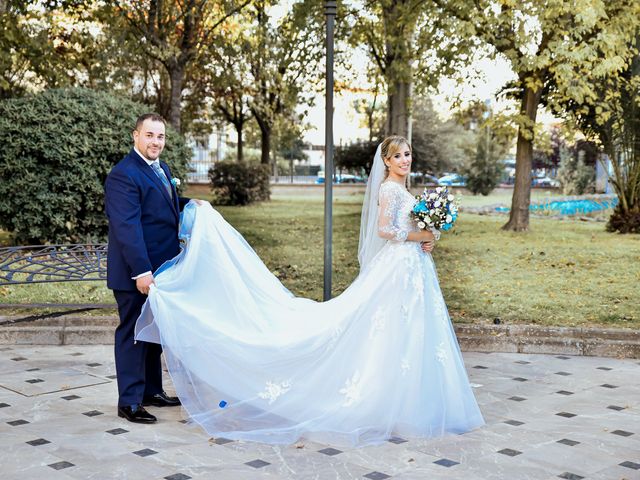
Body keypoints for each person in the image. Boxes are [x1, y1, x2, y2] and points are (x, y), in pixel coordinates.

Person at [135, 135, 484, 445]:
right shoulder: (390, 189)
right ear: (386, 162)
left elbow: (407, 226)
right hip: (398, 269)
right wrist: (420, 235)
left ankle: (411, 400)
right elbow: (384, 230)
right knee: (388, 330)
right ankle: (388, 400)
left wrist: (429, 237)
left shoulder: (405, 190)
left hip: (412, 268)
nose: (405, 160)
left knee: (409, 332)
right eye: (398, 156)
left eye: (408, 155)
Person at [105, 113, 196, 424]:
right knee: (132, 333)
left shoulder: (160, 168)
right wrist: (141, 272)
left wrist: (190, 203)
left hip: (161, 270)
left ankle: (151, 390)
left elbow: (161, 205)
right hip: (136, 271)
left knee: (153, 332)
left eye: (160, 136)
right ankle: (129, 401)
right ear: (136, 136)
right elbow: (127, 227)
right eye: (150, 135)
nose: (156, 141)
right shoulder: (124, 174)